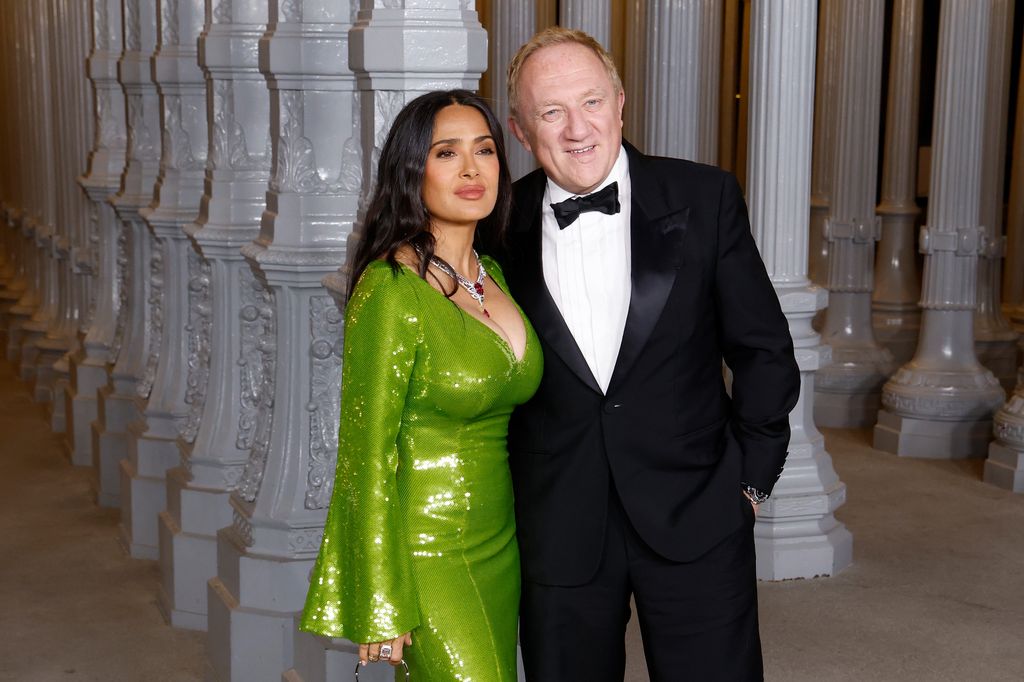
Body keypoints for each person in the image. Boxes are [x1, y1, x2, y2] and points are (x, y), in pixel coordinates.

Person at [500, 27, 801, 681]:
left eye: (591, 102)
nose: (578, 129)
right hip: (557, 525)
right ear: (521, 130)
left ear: (620, 102)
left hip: (698, 509)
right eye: (551, 111)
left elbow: (764, 349)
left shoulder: (705, 196)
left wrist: (750, 482)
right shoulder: (495, 226)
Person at [300, 89, 543, 681]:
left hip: (500, 542)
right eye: (445, 153)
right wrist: (381, 599)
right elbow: (365, 455)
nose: (470, 169)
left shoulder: (497, 276)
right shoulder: (390, 290)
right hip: (426, 552)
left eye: (484, 150)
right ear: (411, 171)